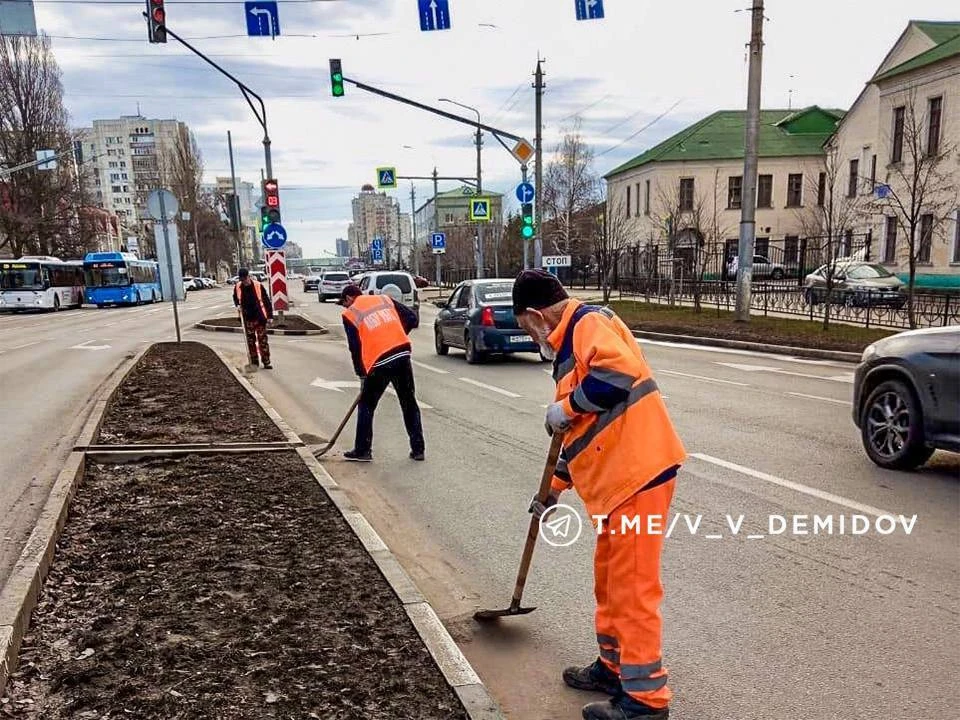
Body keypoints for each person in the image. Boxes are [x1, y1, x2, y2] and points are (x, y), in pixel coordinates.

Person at [513, 269, 686, 720]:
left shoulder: (587, 323)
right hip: (617, 483)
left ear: (535, 315)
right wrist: (550, 492)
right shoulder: (570, 348)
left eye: (525, 328)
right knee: (610, 582)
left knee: (633, 590)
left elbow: (617, 377)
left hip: (639, 476)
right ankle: (613, 667)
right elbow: (581, 436)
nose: (530, 338)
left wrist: (565, 409)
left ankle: (647, 701)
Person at [339, 284, 424, 462]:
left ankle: (363, 450)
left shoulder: (351, 313)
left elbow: (355, 348)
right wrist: (394, 336)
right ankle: (418, 450)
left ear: (348, 298)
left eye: (345, 303)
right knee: (409, 402)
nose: (346, 307)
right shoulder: (384, 299)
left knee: (366, 405)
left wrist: (361, 373)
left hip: (379, 361)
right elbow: (412, 318)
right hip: (402, 353)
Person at [233, 268, 273, 369]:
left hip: (259, 317)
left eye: (245, 279)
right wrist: (237, 304)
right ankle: (254, 361)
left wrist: (270, 316)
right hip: (247, 318)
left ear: (249, 277)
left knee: (262, 340)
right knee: (250, 341)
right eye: (242, 279)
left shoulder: (258, 285)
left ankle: (266, 361)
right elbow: (235, 297)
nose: (244, 281)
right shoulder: (238, 287)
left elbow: (266, 301)